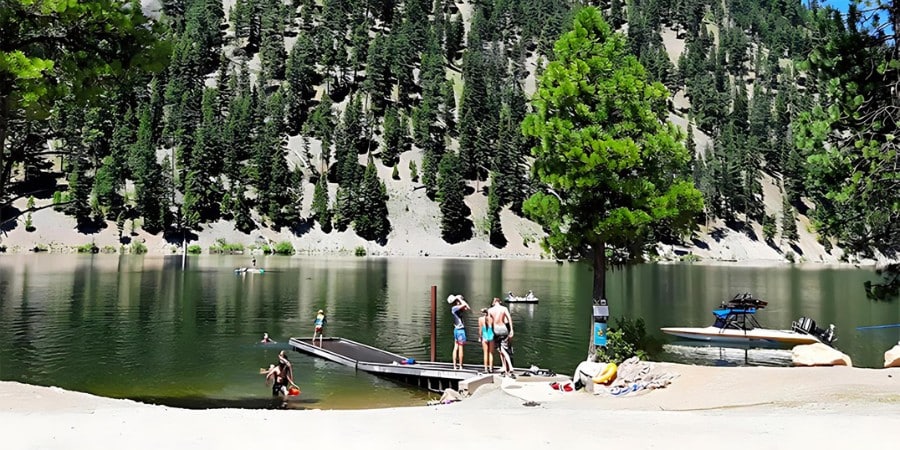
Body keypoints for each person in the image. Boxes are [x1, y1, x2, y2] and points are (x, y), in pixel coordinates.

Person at [488, 296, 514, 377]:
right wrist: (512, 330)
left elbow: (489, 323)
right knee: (504, 349)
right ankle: (507, 367)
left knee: (501, 350)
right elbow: (509, 319)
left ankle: (509, 367)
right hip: (504, 329)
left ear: (494, 302)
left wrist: (490, 333)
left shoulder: (490, 310)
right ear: (499, 302)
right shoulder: (504, 309)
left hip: (496, 329)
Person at [448, 294, 470, 370]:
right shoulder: (455, 308)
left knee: (456, 347)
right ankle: (460, 366)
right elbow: (465, 304)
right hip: (460, 330)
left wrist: (460, 300)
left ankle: (455, 366)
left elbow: (467, 307)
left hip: (456, 330)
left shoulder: (457, 308)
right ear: (456, 301)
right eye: (458, 301)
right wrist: (459, 299)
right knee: (460, 348)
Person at [478, 308, 495, 373]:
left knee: (485, 353)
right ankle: (491, 368)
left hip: (484, 335)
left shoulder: (480, 319)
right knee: (491, 353)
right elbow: (493, 327)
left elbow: (480, 329)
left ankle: (485, 368)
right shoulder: (491, 319)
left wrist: (480, 337)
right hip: (491, 335)